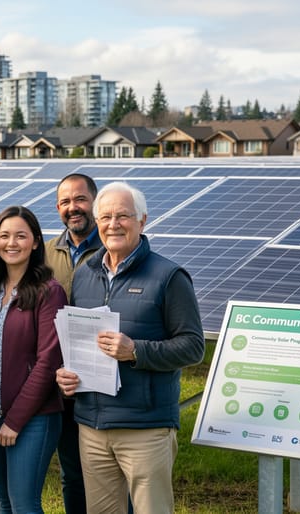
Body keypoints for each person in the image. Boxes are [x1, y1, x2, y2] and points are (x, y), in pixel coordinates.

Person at [55, 182, 205, 514]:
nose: (113, 224)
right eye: (105, 217)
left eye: (123, 216)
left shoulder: (168, 277)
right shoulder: (85, 275)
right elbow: (78, 341)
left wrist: (135, 350)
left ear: (142, 221)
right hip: (92, 425)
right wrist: (68, 374)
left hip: (145, 426)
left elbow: (193, 347)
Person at [0, 206, 66, 514]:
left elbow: (48, 362)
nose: (12, 243)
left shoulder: (50, 292)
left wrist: (15, 420)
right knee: (3, 502)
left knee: (24, 504)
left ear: (35, 242)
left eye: (21, 236)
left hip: (33, 418)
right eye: (5, 235)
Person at [43, 173, 101, 514]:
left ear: (94, 201)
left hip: (104, 378)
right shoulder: (47, 252)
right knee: (72, 471)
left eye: (80, 199)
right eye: (65, 202)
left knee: (109, 471)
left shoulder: (111, 245)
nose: (72, 208)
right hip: (62, 381)